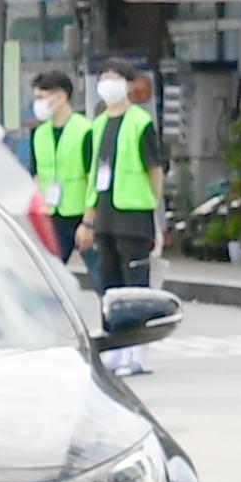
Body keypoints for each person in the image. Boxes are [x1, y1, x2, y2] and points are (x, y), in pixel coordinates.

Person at [85, 63, 164, 375]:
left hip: (133, 216)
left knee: (136, 288)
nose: (107, 84)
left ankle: (139, 352)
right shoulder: (99, 124)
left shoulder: (140, 123)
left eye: (115, 78)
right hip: (105, 215)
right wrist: (89, 216)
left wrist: (154, 211)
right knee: (110, 285)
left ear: (130, 86)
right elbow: (94, 172)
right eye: (103, 78)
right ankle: (115, 348)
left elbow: (155, 170)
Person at [25, 68, 89, 262]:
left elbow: (92, 178)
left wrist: (89, 222)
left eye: (41, 98)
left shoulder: (85, 130)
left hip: (80, 213)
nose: (37, 104)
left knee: (101, 278)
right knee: (51, 272)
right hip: (51, 214)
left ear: (61, 97)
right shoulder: (39, 133)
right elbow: (37, 176)